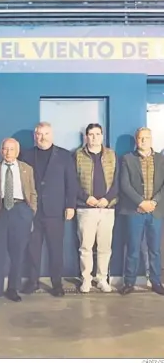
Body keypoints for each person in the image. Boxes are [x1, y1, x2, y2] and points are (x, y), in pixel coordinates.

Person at [21, 122, 78, 297]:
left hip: (56, 211)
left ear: (51, 135)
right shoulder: (26, 155)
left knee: (56, 250)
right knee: (32, 249)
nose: (42, 137)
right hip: (32, 211)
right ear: (34, 136)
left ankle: (56, 283)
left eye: (46, 133)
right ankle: (33, 281)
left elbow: (72, 183)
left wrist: (70, 205)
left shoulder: (64, 156)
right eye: (39, 134)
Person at [0, 138, 37, 308]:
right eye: (5, 149)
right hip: (0, 212)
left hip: (21, 210)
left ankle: (13, 289)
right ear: (1, 151)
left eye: (11, 149)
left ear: (17, 151)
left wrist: (30, 212)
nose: (8, 152)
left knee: (18, 254)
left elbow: (33, 192)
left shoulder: (26, 169)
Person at [119, 127, 164, 295]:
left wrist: (153, 202)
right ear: (136, 140)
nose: (143, 141)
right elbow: (125, 184)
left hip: (155, 211)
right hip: (134, 210)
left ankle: (156, 281)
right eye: (140, 138)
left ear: (151, 139)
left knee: (155, 249)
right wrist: (140, 202)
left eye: (146, 137)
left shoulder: (161, 159)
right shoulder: (127, 159)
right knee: (132, 247)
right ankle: (129, 282)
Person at [75, 123, 118, 293]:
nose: (94, 137)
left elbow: (116, 181)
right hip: (86, 209)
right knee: (85, 247)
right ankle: (86, 279)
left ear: (102, 136)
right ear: (86, 137)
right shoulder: (77, 155)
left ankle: (101, 278)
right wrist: (87, 198)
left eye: (97, 134)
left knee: (105, 247)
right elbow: (73, 182)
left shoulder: (112, 155)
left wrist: (107, 199)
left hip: (107, 209)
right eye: (91, 134)